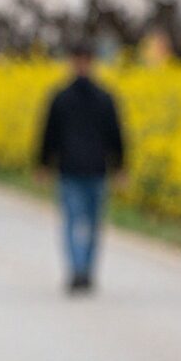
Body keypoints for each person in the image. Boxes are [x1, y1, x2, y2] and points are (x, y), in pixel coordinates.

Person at [35, 41, 126, 292]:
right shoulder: (104, 96)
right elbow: (49, 133)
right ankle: (81, 270)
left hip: (76, 167)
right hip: (88, 168)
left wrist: (43, 164)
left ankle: (80, 270)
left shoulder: (61, 96)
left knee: (78, 222)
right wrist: (119, 166)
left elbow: (115, 134)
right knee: (85, 222)